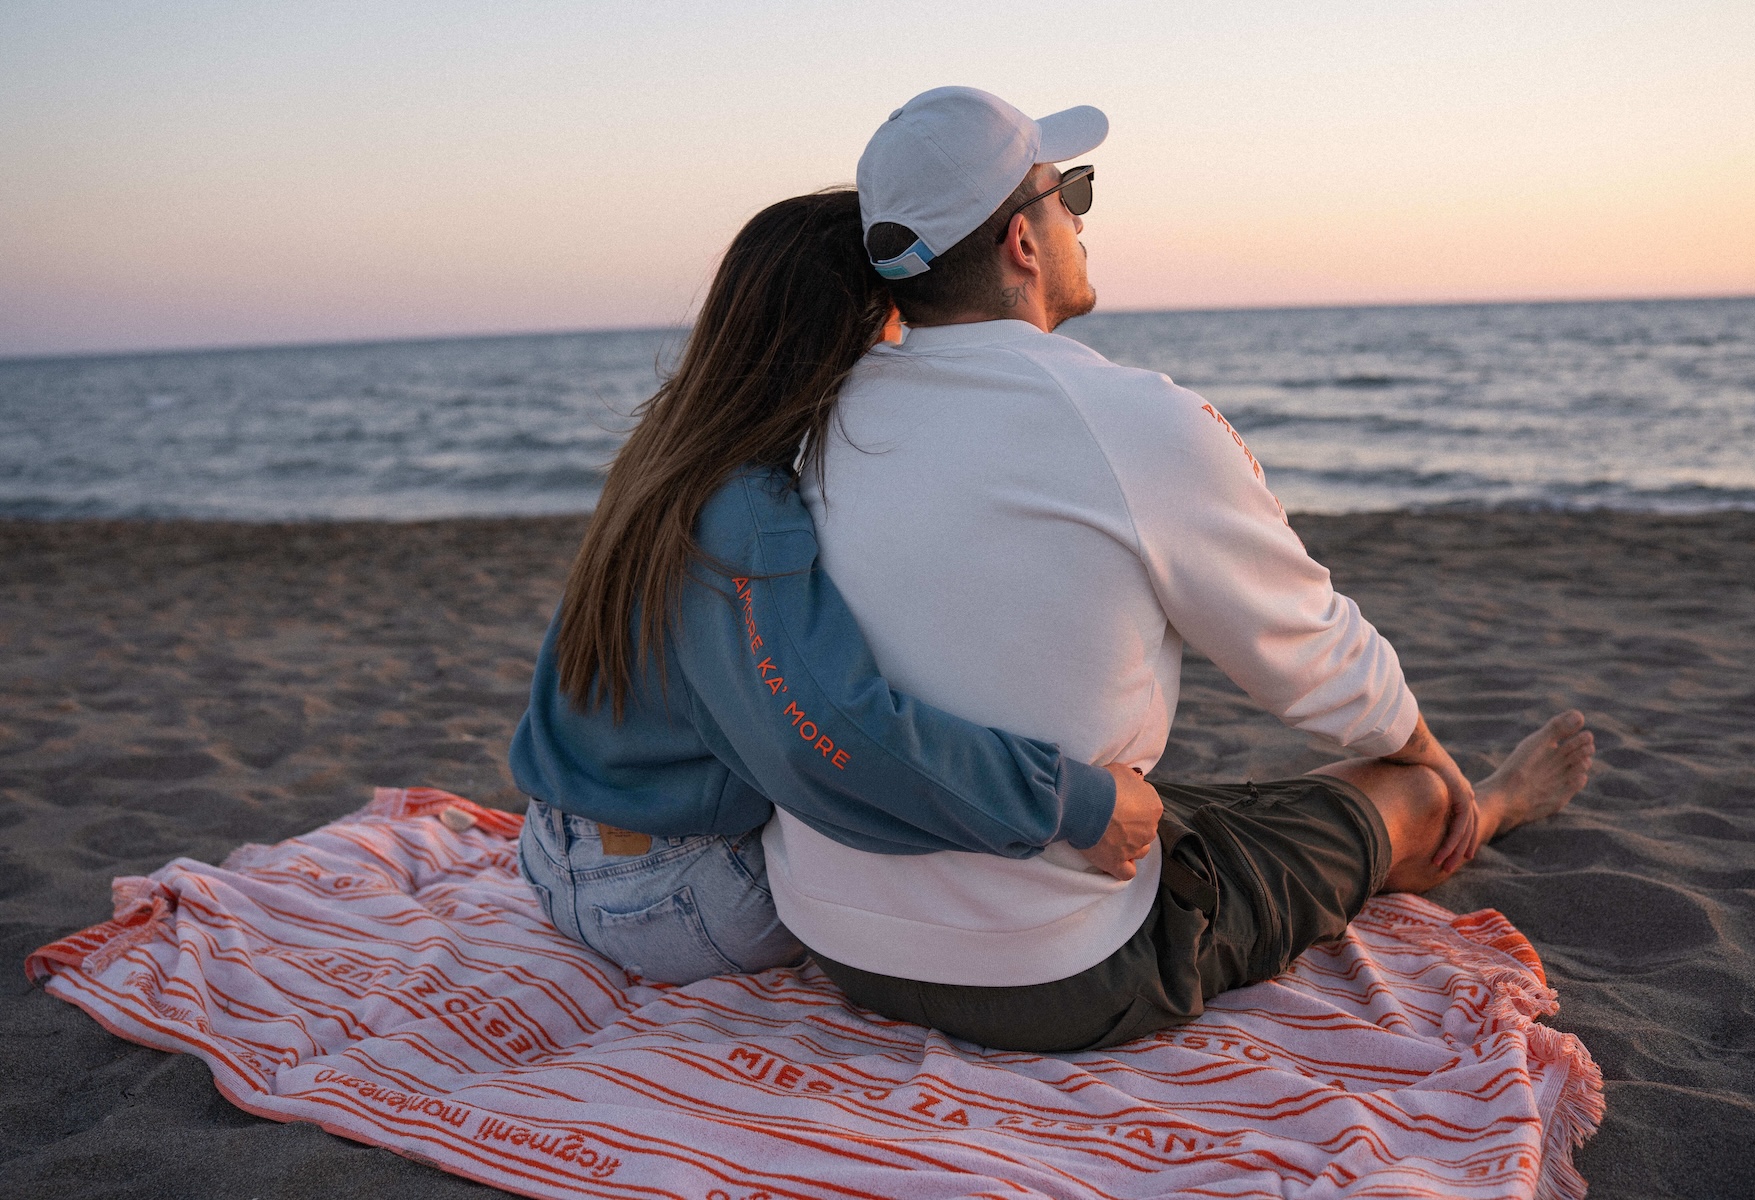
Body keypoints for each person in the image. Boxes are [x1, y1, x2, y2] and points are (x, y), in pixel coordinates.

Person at [764, 86, 1597, 1051]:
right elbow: (1312, 655)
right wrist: (1433, 762)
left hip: (840, 934)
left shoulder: (821, 416)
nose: (1079, 215)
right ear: (1022, 244)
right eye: (1068, 191)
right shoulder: (1128, 420)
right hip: (1051, 968)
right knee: (1400, 793)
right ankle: (1483, 809)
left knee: (1191, 802)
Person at [508, 188, 1164, 986]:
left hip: (556, 851)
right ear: (857, 327)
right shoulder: (748, 506)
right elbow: (829, 735)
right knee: (974, 878)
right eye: (906, 316)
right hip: (675, 894)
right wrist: (1075, 805)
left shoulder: (672, 445)